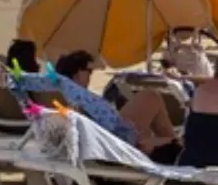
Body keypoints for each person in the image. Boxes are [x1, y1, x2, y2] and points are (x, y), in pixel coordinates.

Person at [20, 51, 180, 160]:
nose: (91, 75)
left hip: (99, 141)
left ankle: (172, 143)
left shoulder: (53, 95)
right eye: (89, 71)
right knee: (151, 96)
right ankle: (174, 145)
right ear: (77, 73)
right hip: (112, 142)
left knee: (150, 107)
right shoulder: (75, 99)